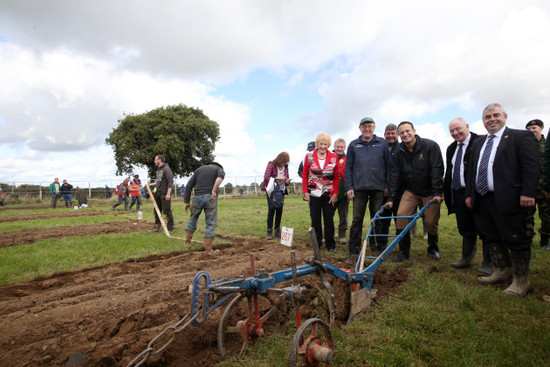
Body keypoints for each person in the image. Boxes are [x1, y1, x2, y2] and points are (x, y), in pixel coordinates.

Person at [465, 103, 539, 297]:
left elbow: (531, 166)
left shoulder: (520, 137)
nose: (492, 120)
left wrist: (528, 192)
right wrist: (470, 195)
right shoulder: (479, 142)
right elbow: (472, 170)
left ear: (505, 116)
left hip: (510, 197)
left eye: (496, 115)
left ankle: (521, 280)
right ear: (483, 121)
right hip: (483, 198)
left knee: (516, 237)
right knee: (490, 236)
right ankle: (501, 269)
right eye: (487, 117)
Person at [386, 121, 444, 262]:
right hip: (411, 190)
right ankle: (403, 252)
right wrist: (391, 198)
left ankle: (433, 249)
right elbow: (395, 176)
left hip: (430, 190)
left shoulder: (430, 146)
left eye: (408, 131)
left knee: (431, 221)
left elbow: (437, 169)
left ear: (414, 130)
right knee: (400, 216)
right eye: (402, 133)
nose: (405, 134)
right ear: (399, 135)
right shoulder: (399, 152)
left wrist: (437, 192)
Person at [444, 118, 491, 274]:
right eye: (452, 131)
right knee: (465, 226)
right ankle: (467, 258)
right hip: (458, 192)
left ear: (467, 126)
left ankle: (488, 262)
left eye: (458, 129)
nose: (455, 133)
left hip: (478, 191)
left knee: (483, 227)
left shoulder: (481, 142)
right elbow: (450, 171)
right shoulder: (451, 148)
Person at [345, 117, 391, 258]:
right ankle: (354, 248)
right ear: (360, 128)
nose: (367, 129)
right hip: (359, 188)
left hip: (378, 188)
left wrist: (387, 185)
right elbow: (348, 168)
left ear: (374, 127)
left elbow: (388, 166)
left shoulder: (382, 144)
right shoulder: (353, 145)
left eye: (370, 126)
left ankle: (375, 246)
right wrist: (349, 187)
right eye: (364, 126)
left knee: (376, 218)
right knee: (357, 219)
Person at [302, 133, 341, 252]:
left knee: (329, 219)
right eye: (321, 144)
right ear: (317, 144)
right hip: (314, 192)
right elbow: (304, 175)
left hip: (329, 193)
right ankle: (317, 244)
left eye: (325, 144)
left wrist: (335, 194)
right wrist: (305, 192)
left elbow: (337, 177)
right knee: (315, 219)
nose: (323, 146)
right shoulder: (309, 156)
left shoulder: (334, 156)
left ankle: (330, 245)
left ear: (328, 145)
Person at [184, 162, 225, 251]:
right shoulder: (219, 170)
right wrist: (214, 190)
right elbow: (220, 178)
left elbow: (189, 185)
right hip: (210, 198)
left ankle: (187, 243)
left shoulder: (199, 169)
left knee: (193, 218)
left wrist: (186, 201)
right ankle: (208, 249)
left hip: (197, 197)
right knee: (210, 222)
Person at [524, 119, 550, 249]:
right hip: (530, 188)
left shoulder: (547, 145)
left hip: (545, 188)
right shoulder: (525, 145)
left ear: (541, 128)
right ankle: (528, 238)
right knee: (527, 216)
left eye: (534, 128)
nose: (531, 131)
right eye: (528, 129)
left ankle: (545, 240)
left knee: (547, 216)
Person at [260, 152, 290, 240]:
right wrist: (278, 178)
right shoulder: (271, 165)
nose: (284, 164)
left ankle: (277, 230)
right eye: (283, 162)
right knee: (272, 210)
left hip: (281, 191)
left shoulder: (286, 167)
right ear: (279, 160)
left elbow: (286, 177)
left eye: (286, 162)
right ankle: (269, 231)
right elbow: (266, 177)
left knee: (279, 210)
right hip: (272, 190)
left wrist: (287, 181)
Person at [380, 124, 401, 244]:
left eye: (393, 133)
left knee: (399, 218)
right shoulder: (381, 149)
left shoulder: (402, 148)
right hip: (383, 190)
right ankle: (382, 243)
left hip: (398, 190)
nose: (390, 136)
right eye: (388, 133)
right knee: (383, 218)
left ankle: (401, 246)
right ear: (384, 135)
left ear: (397, 134)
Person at [150, 155, 175, 232]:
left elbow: (170, 181)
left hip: (164, 193)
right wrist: (151, 184)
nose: (154, 161)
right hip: (158, 193)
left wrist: (168, 194)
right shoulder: (158, 170)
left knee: (167, 211)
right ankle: (157, 227)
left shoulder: (166, 169)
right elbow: (158, 181)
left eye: (155, 160)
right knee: (157, 210)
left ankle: (170, 228)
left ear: (159, 160)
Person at [332, 138, 349, 244]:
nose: (339, 149)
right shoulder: (329, 157)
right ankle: (331, 232)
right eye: (337, 146)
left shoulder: (348, 158)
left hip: (344, 192)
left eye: (341, 147)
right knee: (329, 214)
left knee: (343, 215)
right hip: (331, 192)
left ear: (344, 148)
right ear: (334, 147)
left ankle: (342, 235)